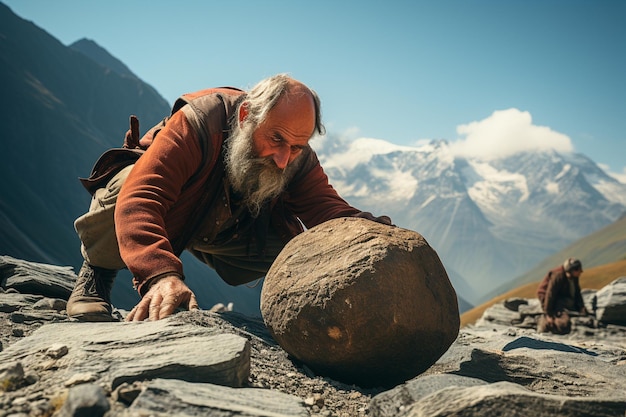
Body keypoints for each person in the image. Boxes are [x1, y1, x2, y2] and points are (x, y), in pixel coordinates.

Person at [67, 74, 392, 322]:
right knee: (124, 191)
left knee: (295, 244)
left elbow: (325, 207)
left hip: (223, 227)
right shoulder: (199, 121)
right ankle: (96, 272)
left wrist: (371, 230)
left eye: (295, 147)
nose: (283, 158)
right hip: (172, 208)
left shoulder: (296, 155)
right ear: (245, 116)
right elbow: (142, 197)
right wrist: (161, 274)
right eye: (276, 138)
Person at [536, 257, 587, 334]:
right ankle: (546, 324)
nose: (581, 272)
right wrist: (548, 313)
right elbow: (550, 294)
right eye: (579, 270)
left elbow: (577, 292)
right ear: (573, 270)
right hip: (546, 296)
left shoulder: (573, 277)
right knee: (561, 322)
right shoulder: (558, 275)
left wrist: (581, 306)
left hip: (561, 297)